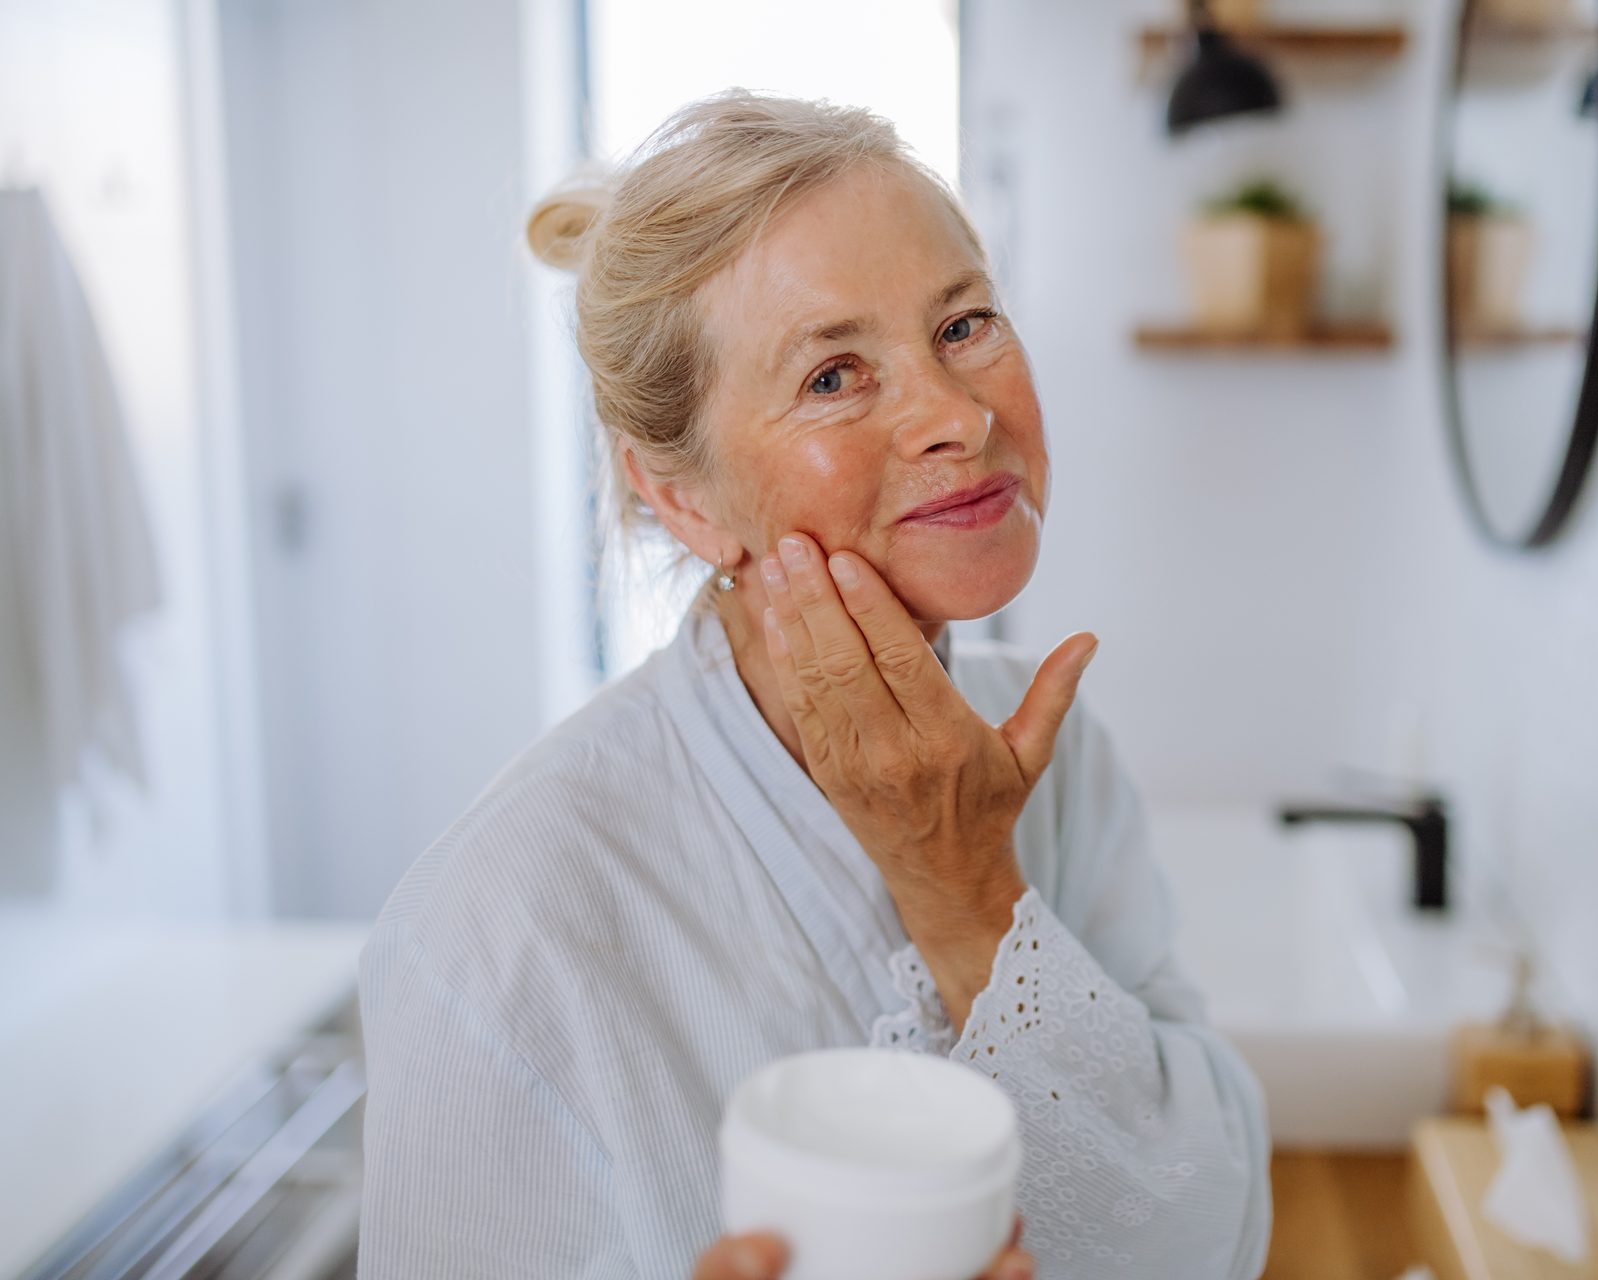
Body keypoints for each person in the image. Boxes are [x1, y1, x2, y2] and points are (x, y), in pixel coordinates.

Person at [355, 89, 1272, 1279]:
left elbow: (1207, 1240)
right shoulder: (501, 926)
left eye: (965, 324)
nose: (958, 414)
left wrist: (969, 892)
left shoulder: (1059, 753)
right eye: (834, 376)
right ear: (680, 498)